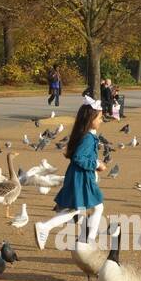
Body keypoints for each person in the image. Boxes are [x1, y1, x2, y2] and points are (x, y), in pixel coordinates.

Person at [32, 101, 105, 250]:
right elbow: (79, 157)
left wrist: (95, 162)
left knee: (79, 209)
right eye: (99, 118)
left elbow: (80, 156)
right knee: (95, 208)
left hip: (79, 176)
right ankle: (87, 240)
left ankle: (47, 227)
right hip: (81, 178)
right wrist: (96, 164)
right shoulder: (88, 138)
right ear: (90, 120)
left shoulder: (84, 135)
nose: (101, 121)